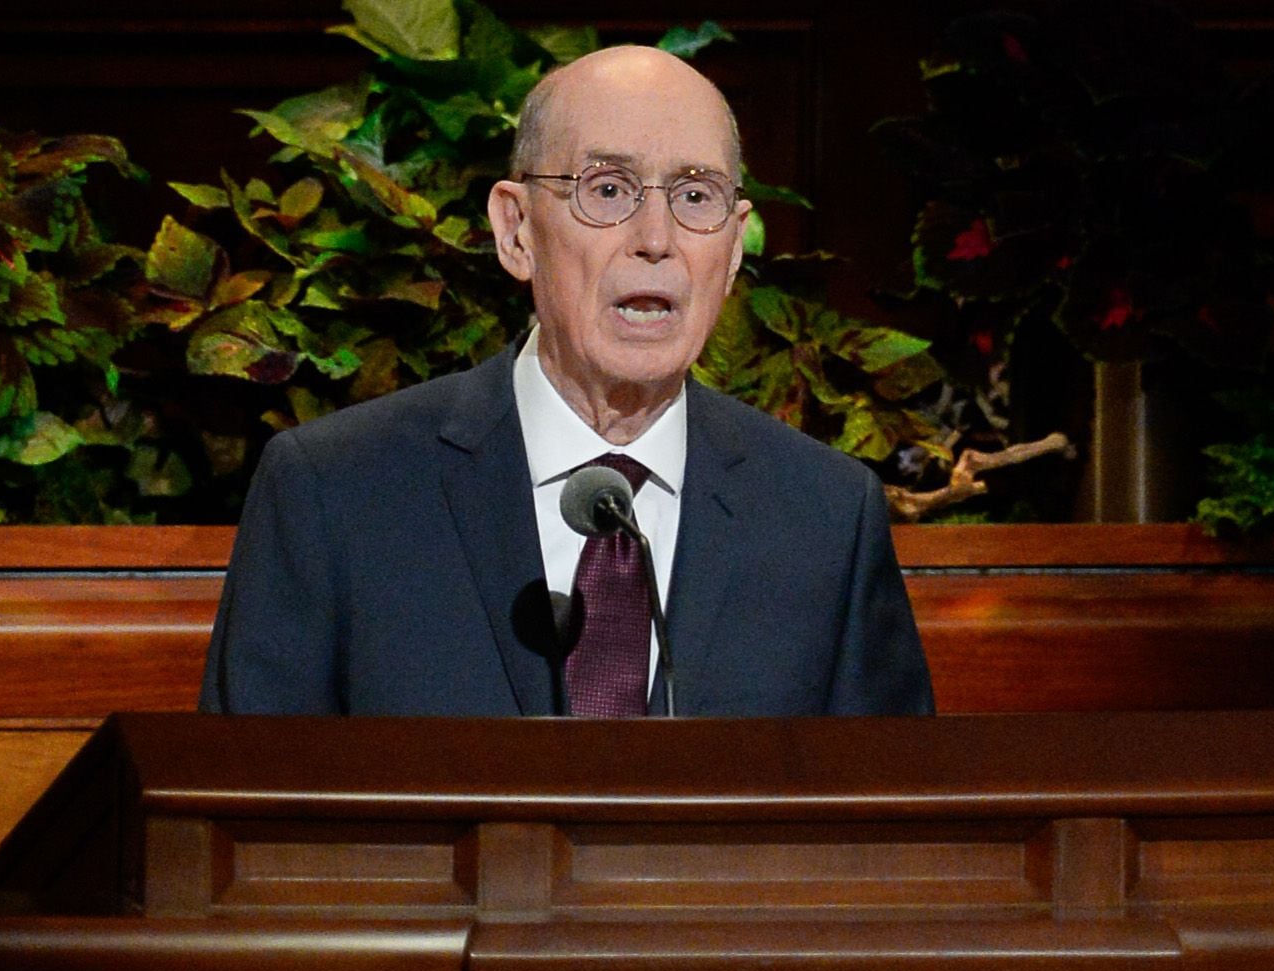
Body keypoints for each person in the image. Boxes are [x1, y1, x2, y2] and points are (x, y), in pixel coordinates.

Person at [200, 44, 933, 717]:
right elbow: (239, 825)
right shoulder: (336, 491)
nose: (655, 239)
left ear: (736, 246)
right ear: (515, 230)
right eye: (608, 190)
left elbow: (891, 833)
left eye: (695, 196)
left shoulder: (825, 516)